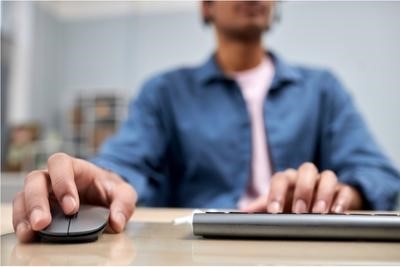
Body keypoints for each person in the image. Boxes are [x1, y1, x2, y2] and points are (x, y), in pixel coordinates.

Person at [13, 1, 400, 242]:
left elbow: (379, 172)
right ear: (206, 7)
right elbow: (126, 163)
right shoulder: (164, 92)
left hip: (307, 247)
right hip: (199, 250)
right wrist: (102, 182)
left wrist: (343, 194)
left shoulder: (323, 89)